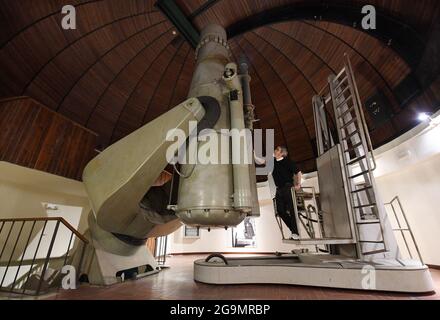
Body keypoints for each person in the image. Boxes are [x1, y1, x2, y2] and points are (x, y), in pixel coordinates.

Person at [255, 146, 302, 240]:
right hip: (279, 189)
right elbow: (261, 161)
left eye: (277, 150)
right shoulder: (272, 162)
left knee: (292, 210)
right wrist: (255, 155)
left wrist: (298, 184)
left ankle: (295, 233)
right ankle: (293, 230)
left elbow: (298, 172)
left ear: (282, 153)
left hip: (288, 187)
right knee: (280, 211)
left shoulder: (287, 161)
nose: (275, 151)